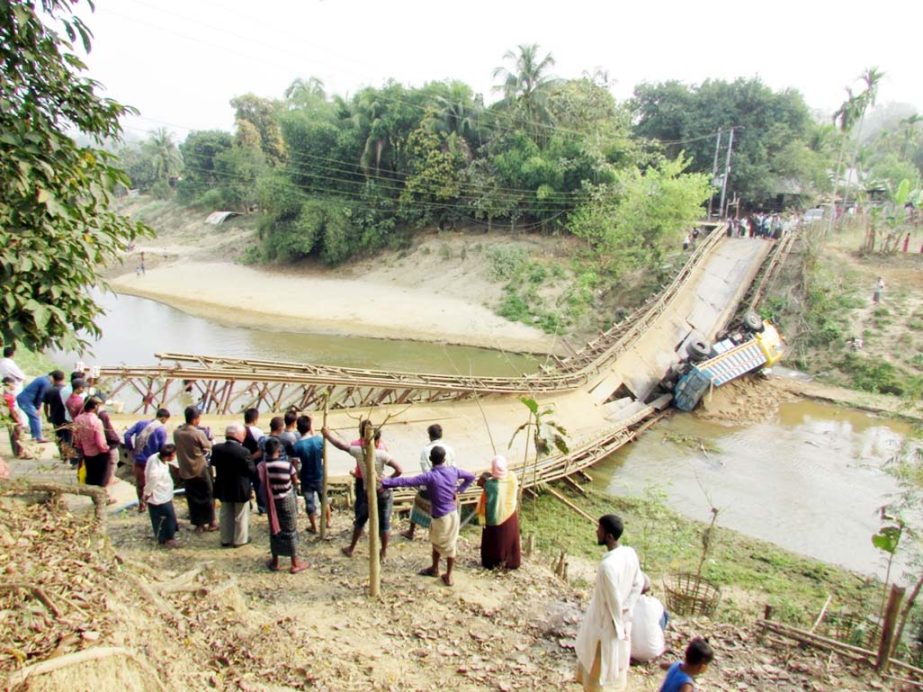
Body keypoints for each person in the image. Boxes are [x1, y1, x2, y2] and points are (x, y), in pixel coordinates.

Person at [381, 445, 474, 586]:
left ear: (431, 459)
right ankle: (442, 571)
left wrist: (386, 482)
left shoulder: (430, 476)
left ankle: (442, 572)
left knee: (441, 544)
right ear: (444, 459)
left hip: (441, 516)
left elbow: (407, 481)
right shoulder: (453, 471)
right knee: (446, 543)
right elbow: (471, 476)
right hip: (453, 513)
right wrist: (459, 490)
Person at [575, 514, 643, 692]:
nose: (596, 531)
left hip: (605, 627)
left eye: (600, 529)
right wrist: (627, 610)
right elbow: (639, 584)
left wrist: (621, 619)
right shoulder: (630, 553)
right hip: (619, 623)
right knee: (612, 672)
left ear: (609, 536)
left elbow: (614, 604)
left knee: (598, 675)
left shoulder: (607, 567)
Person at [323, 424, 402, 560]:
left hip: (368, 492)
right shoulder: (382, 454)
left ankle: (351, 548)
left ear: (364, 440)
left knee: (360, 520)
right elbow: (399, 470)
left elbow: (341, 445)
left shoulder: (359, 451)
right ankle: (383, 552)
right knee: (384, 523)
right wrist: (387, 481)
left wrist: (328, 435)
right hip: (382, 491)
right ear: (377, 441)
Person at [259, 437, 308, 573]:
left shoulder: (262, 466)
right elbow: (294, 481)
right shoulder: (286, 466)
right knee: (290, 529)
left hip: (271, 501)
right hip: (286, 499)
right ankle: (295, 562)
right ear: (279, 450)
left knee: (275, 528)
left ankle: (275, 561)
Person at [403, 423, 456, 540]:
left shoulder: (425, 450)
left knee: (418, 501)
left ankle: (411, 531)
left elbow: (425, 470)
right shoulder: (450, 449)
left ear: (429, 436)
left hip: (430, 488)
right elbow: (454, 468)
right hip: (447, 487)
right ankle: (445, 534)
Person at [173, 406, 217, 533]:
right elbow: (208, 446)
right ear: (195, 420)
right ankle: (212, 522)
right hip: (200, 468)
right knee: (208, 494)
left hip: (185, 469)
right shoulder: (198, 433)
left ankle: (199, 524)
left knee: (193, 497)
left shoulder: (177, 433)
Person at [212, 423, 255, 548]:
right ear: (239, 436)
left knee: (225, 513)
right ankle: (240, 539)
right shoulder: (244, 451)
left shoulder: (217, 448)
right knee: (241, 515)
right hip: (240, 487)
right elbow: (251, 470)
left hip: (223, 485)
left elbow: (214, 463)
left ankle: (225, 538)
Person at [476, 455, 521, 570]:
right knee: (508, 538)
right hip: (510, 513)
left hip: (495, 516)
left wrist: (484, 482)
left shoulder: (491, 485)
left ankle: (492, 563)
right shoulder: (512, 477)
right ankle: (511, 561)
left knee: (495, 539)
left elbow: (485, 491)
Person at [124, 408, 171, 511]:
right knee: (153, 484)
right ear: (163, 419)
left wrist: (131, 448)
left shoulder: (141, 423)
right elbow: (162, 449)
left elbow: (127, 435)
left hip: (139, 460)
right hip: (152, 462)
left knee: (140, 484)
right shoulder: (161, 430)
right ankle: (153, 505)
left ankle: (141, 505)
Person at [292, 415, 328, 534]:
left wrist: (295, 477)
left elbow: (295, 463)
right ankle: (328, 521)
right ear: (309, 427)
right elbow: (323, 454)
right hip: (319, 474)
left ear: (298, 429)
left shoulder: (297, 446)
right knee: (324, 499)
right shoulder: (318, 440)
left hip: (306, 477)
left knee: (309, 503)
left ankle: (314, 526)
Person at [143, 443, 180, 547]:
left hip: (165, 492)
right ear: (170, 456)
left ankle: (164, 536)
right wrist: (146, 494)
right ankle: (167, 538)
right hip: (159, 495)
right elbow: (151, 483)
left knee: (165, 516)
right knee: (166, 516)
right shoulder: (156, 471)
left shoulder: (154, 457)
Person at [16, 370, 62, 443]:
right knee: (35, 416)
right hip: (25, 400)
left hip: (26, 399)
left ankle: (34, 436)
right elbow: (40, 396)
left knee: (33, 417)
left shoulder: (42, 378)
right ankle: (38, 437)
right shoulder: (45, 382)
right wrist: (38, 408)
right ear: (52, 377)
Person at [72, 397, 110, 486]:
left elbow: (76, 437)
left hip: (86, 452)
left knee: (90, 476)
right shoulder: (96, 421)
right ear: (95, 407)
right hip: (98, 453)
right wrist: (106, 449)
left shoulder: (77, 419)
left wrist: (80, 446)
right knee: (100, 478)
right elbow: (100, 442)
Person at [631, 573, 667, 664]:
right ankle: (654, 639)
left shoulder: (625, 603)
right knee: (664, 615)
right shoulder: (655, 603)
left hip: (629, 652)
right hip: (654, 652)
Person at [93, 397, 122, 488]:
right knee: (112, 463)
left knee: (108, 464)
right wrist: (115, 440)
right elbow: (107, 430)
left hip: (99, 446)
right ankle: (108, 483)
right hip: (109, 444)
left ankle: (107, 480)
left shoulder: (91, 416)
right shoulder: (102, 416)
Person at [42, 371, 70, 458]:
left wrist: (47, 416)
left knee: (59, 436)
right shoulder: (67, 390)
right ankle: (68, 454)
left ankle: (62, 454)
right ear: (63, 378)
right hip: (67, 417)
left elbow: (46, 405)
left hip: (55, 417)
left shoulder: (49, 390)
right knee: (68, 436)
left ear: (53, 378)